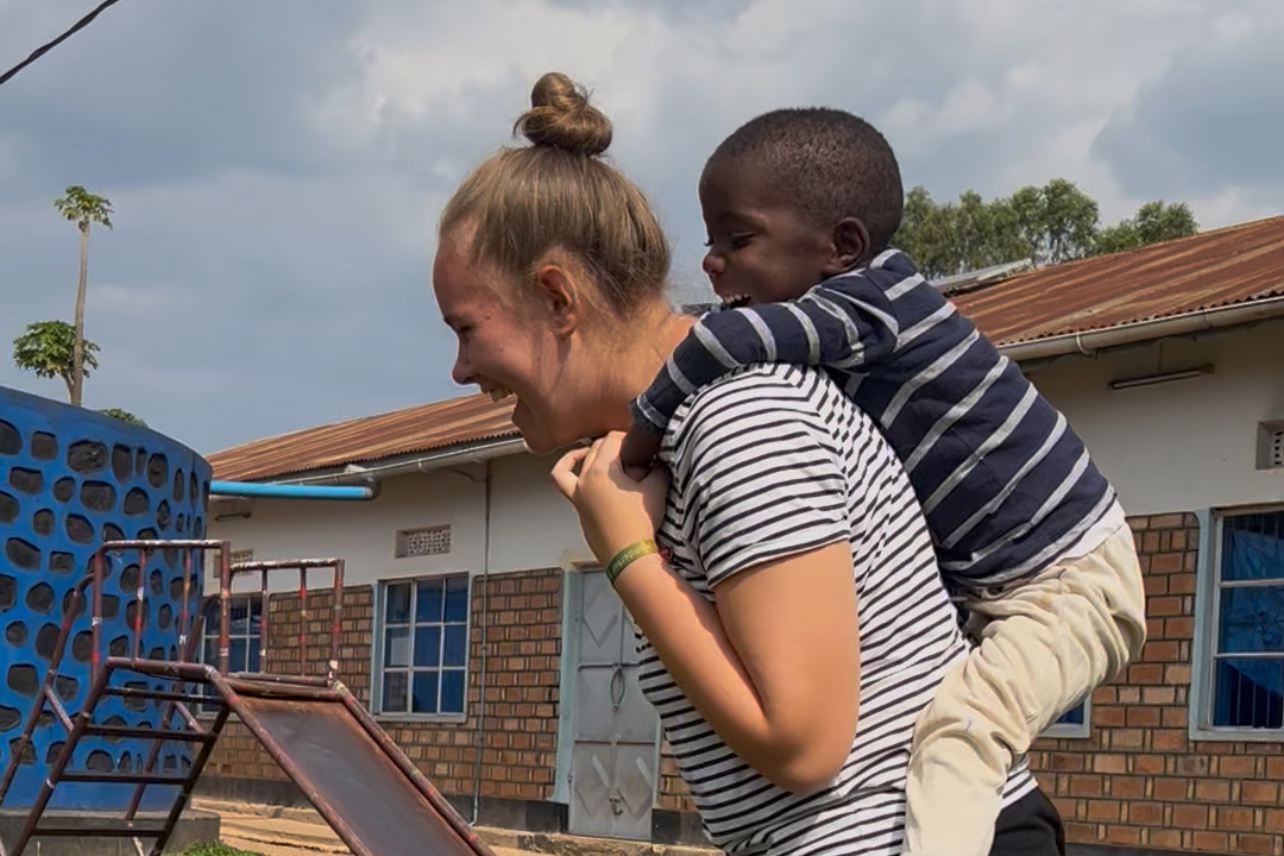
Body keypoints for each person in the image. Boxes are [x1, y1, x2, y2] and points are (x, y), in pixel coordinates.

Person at [432, 71, 1063, 856]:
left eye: (466, 329)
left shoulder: (739, 418)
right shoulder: (688, 424)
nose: (460, 370)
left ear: (559, 299)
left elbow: (803, 745)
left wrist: (628, 557)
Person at [615, 107, 1147, 856]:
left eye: (738, 239)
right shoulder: (843, 330)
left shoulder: (876, 305)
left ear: (843, 246)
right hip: (1014, 582)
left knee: (960, 735)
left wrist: (639, 434)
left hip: (1072, 584)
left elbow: (726, 340)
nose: (712, 262)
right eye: (710, 242)